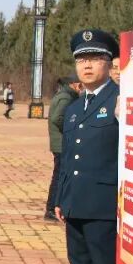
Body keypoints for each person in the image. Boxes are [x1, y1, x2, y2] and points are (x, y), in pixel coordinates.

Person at [51, 29, 126, 264]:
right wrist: (60, 197)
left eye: (95, 59)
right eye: (82, 60)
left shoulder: (121, 102)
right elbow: (67, 158)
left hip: (104, 204)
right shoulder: (74, 107)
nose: (87, 66)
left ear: (109, 63)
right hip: (76, 201)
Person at [44, 75, 81, 221]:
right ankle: (51, 208)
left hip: (60, 143)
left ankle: (54, 207)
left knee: (60, 175)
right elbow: (57, 118)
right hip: (61, 144)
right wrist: (71, 129)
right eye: (80, 85)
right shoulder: (66, 97)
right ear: (74, 85)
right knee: (60, 176)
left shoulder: (64, 95)